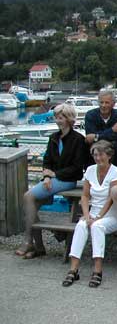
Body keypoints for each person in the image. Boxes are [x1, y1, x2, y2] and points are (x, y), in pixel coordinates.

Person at [15, 103, 86, 259]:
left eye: (61, 117)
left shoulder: (78, 139)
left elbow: (77, 168)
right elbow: (47, 161)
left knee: (28, 197)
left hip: (67, 180)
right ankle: (38, 247)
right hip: (52, 179)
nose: (58, 120)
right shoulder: (53, 137)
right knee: (30, 206)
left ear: (69, 119)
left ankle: (28, 241)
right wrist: (47, 176)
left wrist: (53, 174)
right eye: (56, 117)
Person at [62, 141, 117, 288]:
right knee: (81, 225)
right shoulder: (90, 170)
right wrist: (87, 215)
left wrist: (98, 217)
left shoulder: (115, 172)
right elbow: (84, 196)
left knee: (97, 226)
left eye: (101, 154)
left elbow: (111, 198)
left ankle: (97, 270)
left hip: (112, 214)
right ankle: (73, 269)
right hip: (93, 212)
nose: (98, 158)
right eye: (95, 155)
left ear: (109, 155)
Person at [84, 89, 117, 167]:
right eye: (101, 102)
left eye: (107, 102)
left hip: (113, 156)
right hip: (93, 157)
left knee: (114, 144)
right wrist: (112, 130)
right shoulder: (90, 115)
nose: (103, 105)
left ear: (113, 104)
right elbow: (89, 138)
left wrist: (96, 136)